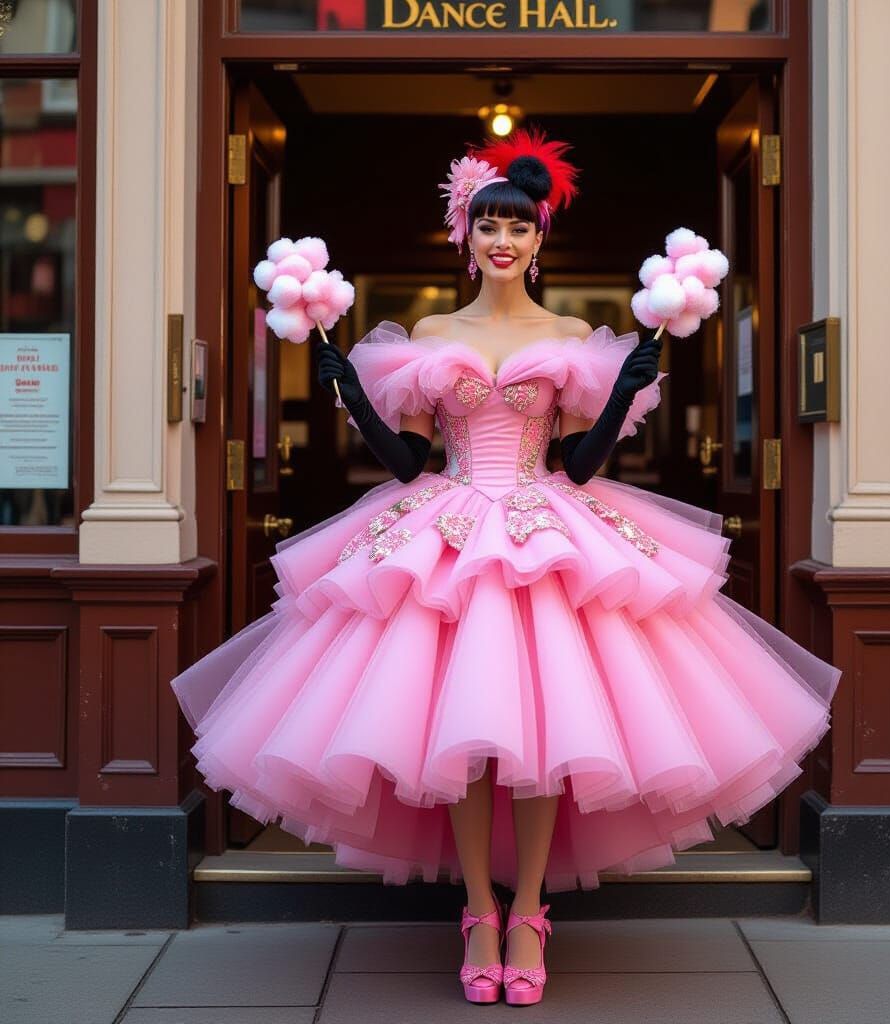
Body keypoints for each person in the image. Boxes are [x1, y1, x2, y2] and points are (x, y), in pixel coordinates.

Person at [170, 128, 841, 1007]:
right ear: (464, 232)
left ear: (537, 240)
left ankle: (530, 908)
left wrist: (637, 372)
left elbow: (582, 464)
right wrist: (345, 386)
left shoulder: (567, 333)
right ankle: (478, 909)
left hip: (543, 527)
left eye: (518, 226)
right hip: (442, 532)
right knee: (462, 740)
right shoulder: (434, 332)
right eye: (488, 223)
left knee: (541, 740)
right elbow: (409, 464)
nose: (502, 239)